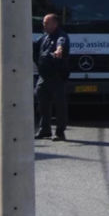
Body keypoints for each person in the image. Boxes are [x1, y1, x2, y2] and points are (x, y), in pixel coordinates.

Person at [33, 13, 71, 141]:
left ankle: (60, 132)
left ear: (55, 24)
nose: (44, 25)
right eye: (44, 22)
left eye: (46, 23)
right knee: (42, 103)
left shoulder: (61, 36)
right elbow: (34, 46)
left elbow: (61, 43)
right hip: (43, 77)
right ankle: (45, 130)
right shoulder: (44, 37)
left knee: (60, 105)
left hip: (56, 76)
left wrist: (59, 50)